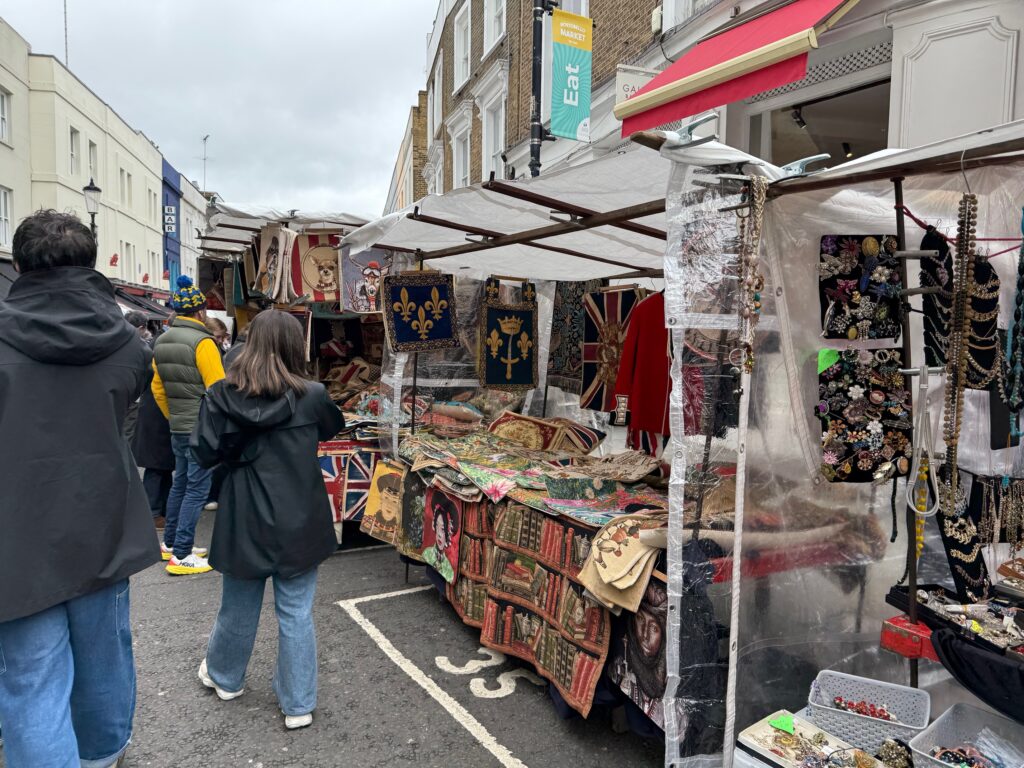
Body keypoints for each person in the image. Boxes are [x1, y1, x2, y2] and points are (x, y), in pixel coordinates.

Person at [0, 209, 159, 767]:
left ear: (20, 264)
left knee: (31, 680)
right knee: (104, 662)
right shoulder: (129, 344)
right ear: (90, 262)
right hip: (103, 522)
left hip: (14, 532)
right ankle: (101, 757)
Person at [191, 310, 343, 730]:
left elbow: (202, 453)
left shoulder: (221, 395)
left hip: (244, 513)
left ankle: (225, 677)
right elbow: (330, 429)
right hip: (300, 512)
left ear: (251, 343)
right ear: (295, 347)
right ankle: (298, 703)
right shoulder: (313, 395)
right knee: (295, 610)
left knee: (238, 604)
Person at [152, 274, 225, 575]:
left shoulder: (161, 340)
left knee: (180, 483)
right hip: (201, 427)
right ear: (201, 312)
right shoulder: (203, 342)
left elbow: (157, 389)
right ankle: (182, 554)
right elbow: (218, 389)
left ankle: (171, 543)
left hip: (178, 426)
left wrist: (173, 416)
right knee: (197, 488)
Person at [131, 314, 175, 530]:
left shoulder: (156, 344)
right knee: (157, 465)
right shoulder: (162, 345)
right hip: (157, 410)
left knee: (162, 465)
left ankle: (160, 510)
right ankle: (153, 512)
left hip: (154, 409)